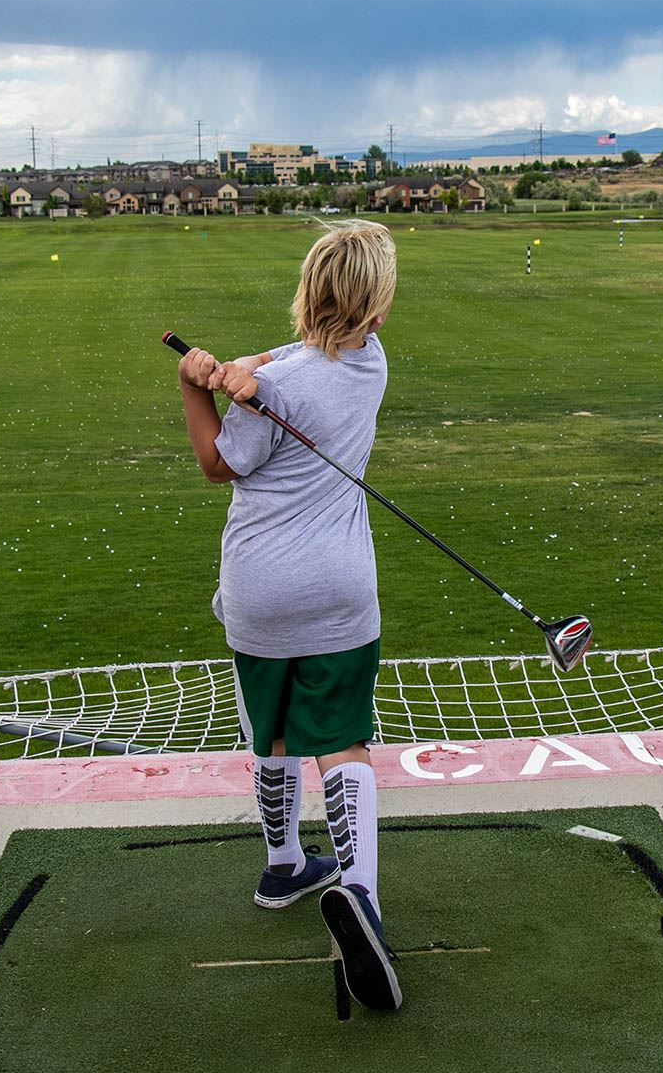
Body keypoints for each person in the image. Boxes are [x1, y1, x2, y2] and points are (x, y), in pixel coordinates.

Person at [175, 220, 401, 1012]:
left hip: (259, 591)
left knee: (268, 731)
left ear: (307, 291)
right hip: (340, 591)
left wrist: (197, 386)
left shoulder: (275, 390)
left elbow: (215, 464)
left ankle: (283, 866)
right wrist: (249, 375)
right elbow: (300, 363)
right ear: (373, 310)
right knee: (340, 739)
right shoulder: (370, 365)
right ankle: (360, 895)